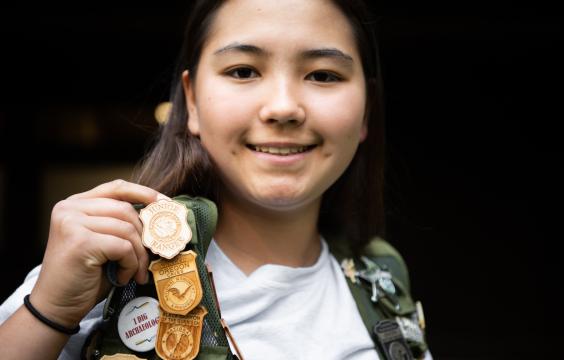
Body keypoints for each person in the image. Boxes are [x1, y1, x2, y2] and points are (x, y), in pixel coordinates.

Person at [0, 1, 431, 359]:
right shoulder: (108, 266)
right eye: (243, 71)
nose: (283, 107)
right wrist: (52, 310)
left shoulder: (383, 285)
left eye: (323, 75)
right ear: (192, 101)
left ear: (366, 111)